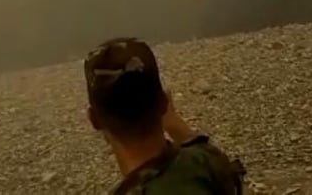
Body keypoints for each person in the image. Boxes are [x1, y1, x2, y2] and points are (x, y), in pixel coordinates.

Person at [84, 37, 246, 194]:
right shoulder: (205, 165)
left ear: (94, 120)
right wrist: (175, 124)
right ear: (164, 102)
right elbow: (209, 155)